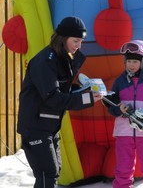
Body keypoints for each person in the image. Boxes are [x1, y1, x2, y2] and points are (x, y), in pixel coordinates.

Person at [17, 16, 102, 188]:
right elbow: (53, 97)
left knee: (54, 171)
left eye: (81, 41)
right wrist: (86, 99)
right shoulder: (45, 61)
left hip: (50, 126)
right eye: (76, 40)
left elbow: (64, 89)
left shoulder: (62, 59)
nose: (79, 46)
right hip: (36, 127)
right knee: (47, 173)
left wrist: (86, 89)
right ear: (63, 38)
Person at [106, 40, 143, 188]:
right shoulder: (120, 82)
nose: (131, 65)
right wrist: (118, 109)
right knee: (123, 168)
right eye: (129, 61)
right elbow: (111, 105)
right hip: (124, 132)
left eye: (135, 61)